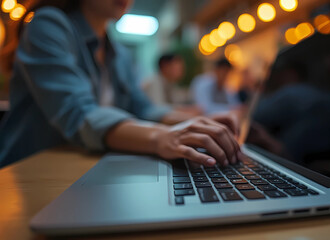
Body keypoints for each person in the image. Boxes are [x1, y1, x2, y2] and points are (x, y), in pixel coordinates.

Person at [0, 0, 242, 168]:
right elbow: (80, 115)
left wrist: (196, 124)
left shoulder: (117, 52)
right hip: (30, 172)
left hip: (84, 165)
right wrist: (161, 137)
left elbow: (143, 108)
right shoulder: (48, 25)